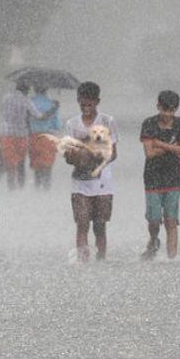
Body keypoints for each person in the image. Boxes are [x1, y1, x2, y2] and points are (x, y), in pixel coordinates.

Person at [63, 81, 118, 262]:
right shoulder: (71, 124)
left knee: (100, 225)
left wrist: (94, 154)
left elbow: (113, 154)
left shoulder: (107, 121)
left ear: (97, 102)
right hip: (80, 183)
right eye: (82, 104)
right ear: (78, 101)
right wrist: (75, 156)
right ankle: (82, 261)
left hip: (103, 183)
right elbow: (68, 155)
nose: (86, 107)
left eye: (90, 104)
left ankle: (101, 260)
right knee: (82, 223)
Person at [139, 90, 180, 260]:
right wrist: (173, 148)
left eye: (172, 111)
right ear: (158, 106)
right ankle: (153, 241)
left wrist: (160, 144)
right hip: (152, 178)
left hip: (173, 177)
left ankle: (171, 259)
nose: (168, 114)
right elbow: (149, 153)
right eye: (165, 110)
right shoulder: (149, 124)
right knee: (153, 220)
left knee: (171, 220)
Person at [0, 81, 58, 190]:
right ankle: (22, 187)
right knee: (21, 162)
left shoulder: (6, 98)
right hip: (21, 135)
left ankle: (11, 188)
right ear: (26, 90)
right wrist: (54, 109)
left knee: (10, 164)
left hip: (6, 133)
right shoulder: (26, 101)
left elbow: (5, 113)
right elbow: (40, 117)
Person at [28, 84, 61, 189]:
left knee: (37, 165)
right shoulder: (52, 104)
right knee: (48, 165)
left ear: (34, 89)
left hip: (33, 137)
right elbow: (57, 125)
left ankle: (37, 189)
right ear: (46, 89)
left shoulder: (29, 102)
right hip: (48, 137)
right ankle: (47, 190)